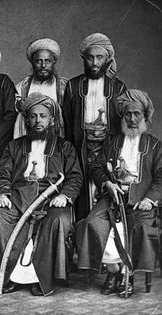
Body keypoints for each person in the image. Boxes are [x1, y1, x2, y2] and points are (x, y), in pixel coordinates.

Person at [0, 93, 83, 296]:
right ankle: (6, 276)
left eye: (43, 116)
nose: (38, 121)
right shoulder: (14, 146)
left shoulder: (65, 147)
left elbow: (75, 177)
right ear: (26, 120)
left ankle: (41, 278)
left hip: (51, 202)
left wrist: (65, 196)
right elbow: (3, 175)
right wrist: (2, 194)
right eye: (33, 116)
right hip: (17, 200)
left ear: (51, 119)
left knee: (59, 222)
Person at [76, 89, 162, 298]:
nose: (132, 119)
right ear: (122, 116)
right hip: (113, 198)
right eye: (127, 114)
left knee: (139, 227)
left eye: (137, 114)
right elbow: (96, 166)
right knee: (92, 223)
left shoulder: (155, 145)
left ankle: (127, 275)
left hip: (141, 200)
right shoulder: (112, 142)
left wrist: (150, 200)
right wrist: (107, 183)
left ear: (145, 116)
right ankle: (114, 273)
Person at [63, 33, 127, 220]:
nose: (94, 62)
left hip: (108, 149)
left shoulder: (118, 87)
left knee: (107, 190)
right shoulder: (73, 86)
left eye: (99, 57)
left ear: (108, 59)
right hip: (80, 148)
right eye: (90, 57)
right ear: (84, 58)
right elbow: (67, 122)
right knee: (80, 191)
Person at [14, 38, 67, 139]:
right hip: (28, 138)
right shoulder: (24, 85)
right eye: (39, 61)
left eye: (47, 61)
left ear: (54, 62)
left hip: (56, 139)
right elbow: (14, 105)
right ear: (32, 63)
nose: (43, 65)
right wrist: (18, 105)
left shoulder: (64, 86)